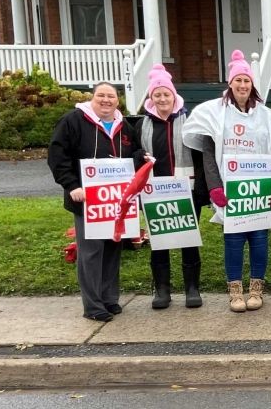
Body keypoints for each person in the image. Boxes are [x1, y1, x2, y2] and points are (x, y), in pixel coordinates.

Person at [182, 51, 271, 313]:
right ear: (230, 84)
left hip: (259, 191)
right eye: (238, 81)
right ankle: (235, 292)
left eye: (247, 81)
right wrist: (215, 187)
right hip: (231, 191)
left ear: (252, 85)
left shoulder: (265, 115)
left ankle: (256, 289)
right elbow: (208, 153)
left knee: (259, 239)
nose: (243, 86)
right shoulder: (214, 113)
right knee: (232, 241)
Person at [48, 82, 147, 322]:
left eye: (110, 96)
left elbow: (133, 154)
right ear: (92, 98)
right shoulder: (73, 120)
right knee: (91, 252)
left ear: (117, 101)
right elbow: (57, 155)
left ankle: (109, 298)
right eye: (101, 95)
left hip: (116, 200)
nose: (106, 100)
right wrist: (71, 185)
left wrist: (142, 158)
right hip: (87, 200)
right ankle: (92, 305)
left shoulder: (124, 126)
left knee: (113, 249)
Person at [139, 64, 208, 309]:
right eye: (157, 94)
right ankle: (162, 290)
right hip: (154, 190)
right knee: (160, 241)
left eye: (166, 93)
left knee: (188, 239)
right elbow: (136, 157)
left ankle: (192, 288)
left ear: (174, 95)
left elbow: (201, 155)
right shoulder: (143, 125)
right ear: (151, 97)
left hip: (186, 188)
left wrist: (202, 187)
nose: (162, 98)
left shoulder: (189, 121)